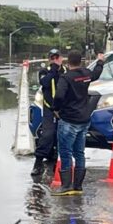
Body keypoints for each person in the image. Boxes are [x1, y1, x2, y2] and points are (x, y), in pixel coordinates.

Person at [50, 50, 104, 196]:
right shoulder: (86, 74)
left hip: (69, 120)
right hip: (84, 120)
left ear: (68, 62)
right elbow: (97, 73)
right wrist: (100, 61)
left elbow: (59, 95)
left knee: (66, 152)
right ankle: (78, 186)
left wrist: (55, 109)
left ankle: (66, 185)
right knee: (79, 153)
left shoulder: (66, 78)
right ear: (81, 61)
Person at [31, 48, 65, 177]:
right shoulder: (45, 72)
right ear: (49, 59)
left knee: (62, 137)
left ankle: (59, 163)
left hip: (63, 110)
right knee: (47, 136)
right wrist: (54, 69)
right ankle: (38, 163)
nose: (56, 60)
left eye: (58, 57)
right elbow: (44, 82)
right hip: (49, 109)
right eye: (53, 58)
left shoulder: (66, 71)